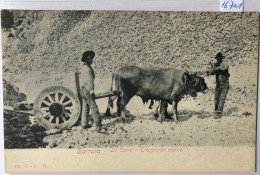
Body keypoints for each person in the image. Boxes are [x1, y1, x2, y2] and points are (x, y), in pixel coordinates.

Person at [80, 51, 102, 131]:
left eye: (91, 58)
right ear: (85, 59)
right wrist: (91, 91)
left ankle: (84, 124)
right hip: (87, 90)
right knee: (94, 108)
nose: (91, 60)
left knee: (85, 107)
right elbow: (89, 82)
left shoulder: (84, 68)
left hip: (83, 89)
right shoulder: (87, 70)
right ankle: (98, 125)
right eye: (89, 58)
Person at [207, 52, 230, 119]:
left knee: (221, 99)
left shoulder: (224, 63)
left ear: (221, 58)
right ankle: (216, 111)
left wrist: (217, 68)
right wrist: (212, 69)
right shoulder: (217, 64)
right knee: (216, 99)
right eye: (217, 58)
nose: (218, 59)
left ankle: (219, 113)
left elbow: (224, 68)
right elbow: (212, 73)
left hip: (225, 84)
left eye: (219, 58)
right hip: (218, 85)